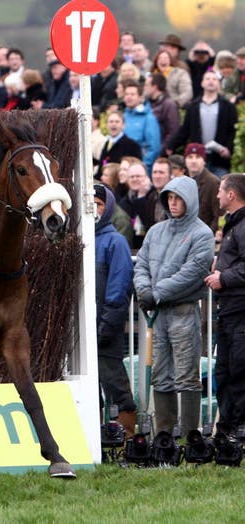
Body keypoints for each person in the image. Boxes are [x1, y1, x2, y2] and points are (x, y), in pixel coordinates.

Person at [134, 175, 214, 437]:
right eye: (169, 197)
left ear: (189, 199)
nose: (173, 202)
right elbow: (142, 264)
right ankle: (164, 436)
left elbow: (192, 273)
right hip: (158, 315)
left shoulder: (202, 234)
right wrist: (144, 290)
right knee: (160, 373)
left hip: (183, 312)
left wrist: (155, 293)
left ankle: (192, 437)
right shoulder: (156, 231)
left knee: (187, 374)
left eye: (178, 197)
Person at [204, 173, 245, 438]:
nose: (217, 195)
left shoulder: (242, 226)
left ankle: (239, 429)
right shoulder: (233, 224)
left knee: (240, 370)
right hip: (229, 310)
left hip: (241, 310)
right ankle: (227, 429)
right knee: (225, 370)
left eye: (220, 190)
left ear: (231, 195)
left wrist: (223, 277)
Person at [94, 183, 136, 436]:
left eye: (99, 205)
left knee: (115, 382)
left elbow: (119, 288)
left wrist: (107, 325)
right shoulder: (82, 240)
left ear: (107, 207)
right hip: (85, 328)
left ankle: (128, 436)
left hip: (106, 325)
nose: (94, 209)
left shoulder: (115, 241)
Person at [167, 69, 238, 178]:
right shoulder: (193, 106)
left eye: (214, 79)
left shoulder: (228, 106)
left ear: (219, 84)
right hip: (198, 159)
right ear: (202, 83)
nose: (211, 81)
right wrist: (171, 146)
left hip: (219, 159)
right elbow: (185, 130)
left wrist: (228, 149)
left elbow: (233, 130)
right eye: (208, 79)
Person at [122, 79, 161, 175]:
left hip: (139, 170)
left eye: (132, 94)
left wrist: (143, 166)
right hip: (123, 168)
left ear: (140, 97)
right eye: (126, 94)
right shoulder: (123, 116)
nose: (129, 97)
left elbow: (154, 147)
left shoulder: (148, 117)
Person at [119, 160, 159, 250]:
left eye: (138, 176)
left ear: (146, 177)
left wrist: (141, 197)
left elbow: (150, 223)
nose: (134, 179)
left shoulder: (155, 196)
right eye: (131, 177)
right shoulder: (125, 201)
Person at [183, 143, 221, 233]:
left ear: (204, 160)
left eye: (198, 157)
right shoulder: (182, 181)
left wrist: (208, 237)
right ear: (185, 160)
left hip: (203, 236)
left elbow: (218, 215)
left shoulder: (213, 182)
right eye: (190, 157)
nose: (194, 161)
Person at [94, 110, 142, 178]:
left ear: (123, 125)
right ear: (107, 125)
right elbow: (102, 166)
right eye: (111, 121)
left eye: (117, 121)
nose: (114, 124)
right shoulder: (106, 143)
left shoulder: (133, 146)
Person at [143, 73, 180, 155]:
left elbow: (173, 131)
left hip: (160, 153)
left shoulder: (169, 105)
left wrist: (161, 149)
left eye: (146, 85)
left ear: (155, 87)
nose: (144, 88)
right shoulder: (145, 104)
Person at [151, 157, 173, 222]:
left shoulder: (175, 198)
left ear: (170, 175)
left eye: (161, 172)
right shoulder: (150, 197)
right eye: (155, 172)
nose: (157, 176)